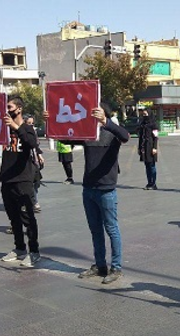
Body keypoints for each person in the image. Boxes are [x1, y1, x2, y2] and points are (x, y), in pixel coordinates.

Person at [44, 102, 130, 284]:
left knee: (112, 229)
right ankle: (100, 266)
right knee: (95, 230)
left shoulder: (112, 132)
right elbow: (66, 139)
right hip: (88, 188)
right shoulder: (88, 133)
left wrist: (106, 121)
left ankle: (116, 268)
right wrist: (50, 122)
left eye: (95, 112)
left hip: (107, 189)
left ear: (103, 113)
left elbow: (125, 136)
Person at [0, 96, 41, 267]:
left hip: (23, 179)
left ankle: (34, 251)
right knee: (13, 217)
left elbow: (31, 143)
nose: (7, 110)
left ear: (19, 109)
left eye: (10, 107)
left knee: (27, 217)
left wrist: (16, 127)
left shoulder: (28, 128)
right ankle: (19, 248)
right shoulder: (4, 130)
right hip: (7, 179)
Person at [24, 114, 44, 212]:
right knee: (29, 183)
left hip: (34, 161)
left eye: (32, 124)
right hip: (25, 162)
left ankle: (33, 201)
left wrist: (39, 155)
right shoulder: (21, 133)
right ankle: (33, 202)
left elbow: (35, 145)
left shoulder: (33, 132)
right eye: (28, 124)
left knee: (36, 182)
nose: (31, 126)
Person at [137, 109, 159, 190]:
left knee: (151, 165)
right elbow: (140, 137)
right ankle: (149, 182)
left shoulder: (153, 125)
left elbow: (156, 137)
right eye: (143, 114)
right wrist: (139, 148)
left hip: (150, 146)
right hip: (144, 146)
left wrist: (155, 147)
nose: (145, 116)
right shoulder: (142, 124)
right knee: (146, 165)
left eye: (146, 114)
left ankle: (153, 183)